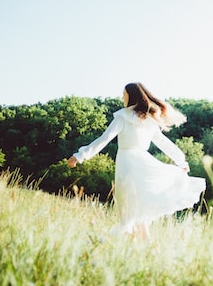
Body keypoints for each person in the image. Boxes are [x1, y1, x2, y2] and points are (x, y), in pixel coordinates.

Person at [67, 82, 205, 239]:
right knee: (138, 208)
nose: (122, 97)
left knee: (130, 209)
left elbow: (104, 139)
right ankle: (144, 246)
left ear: (131, 96)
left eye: (124, 94)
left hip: (127, 164)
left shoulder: (123, 116)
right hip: (142, 162)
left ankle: (121, 241)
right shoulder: (148, 119)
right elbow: (163, 142)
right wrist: (181, 160)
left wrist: (80, 155)